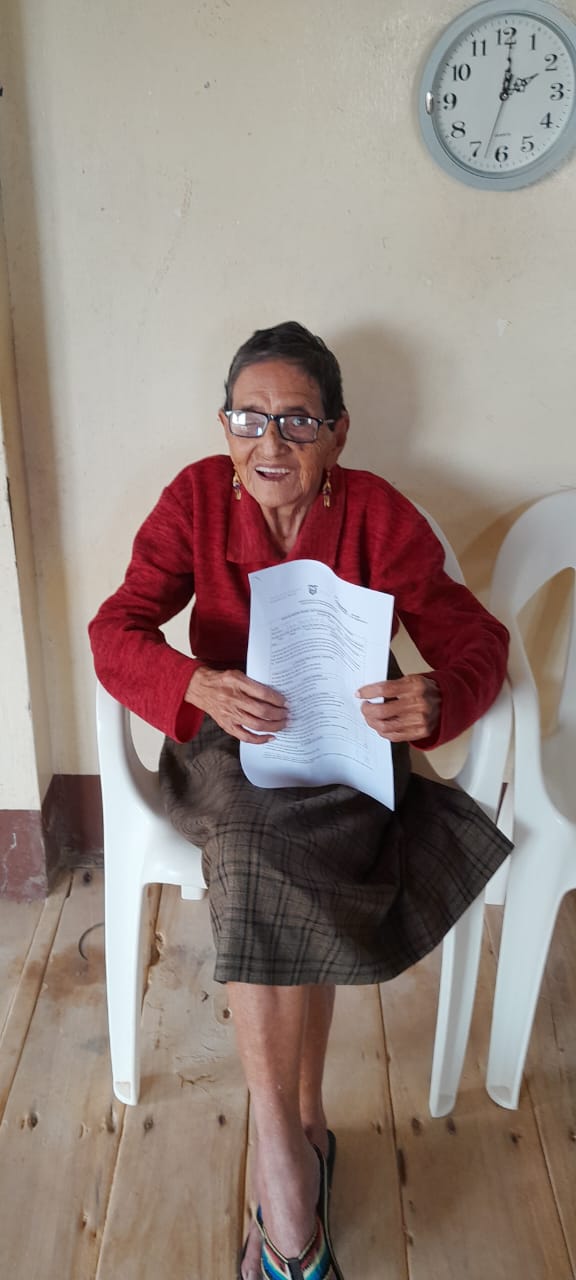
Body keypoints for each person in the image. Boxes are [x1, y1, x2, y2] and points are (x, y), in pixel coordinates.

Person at [89, 321, 512, 1280]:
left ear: (337, 433)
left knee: (280, 860)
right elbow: (116, 628)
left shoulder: (378, 516)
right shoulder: (197, 499)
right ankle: (286, 1148)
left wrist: (439, 695)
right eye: (248, 418)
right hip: (225, 750)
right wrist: (195, 684)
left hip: (341, 755)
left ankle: (294, 1140)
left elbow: (474, 638)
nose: (269, 442)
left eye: (296, 421)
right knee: (250, 848)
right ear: (225, 426)